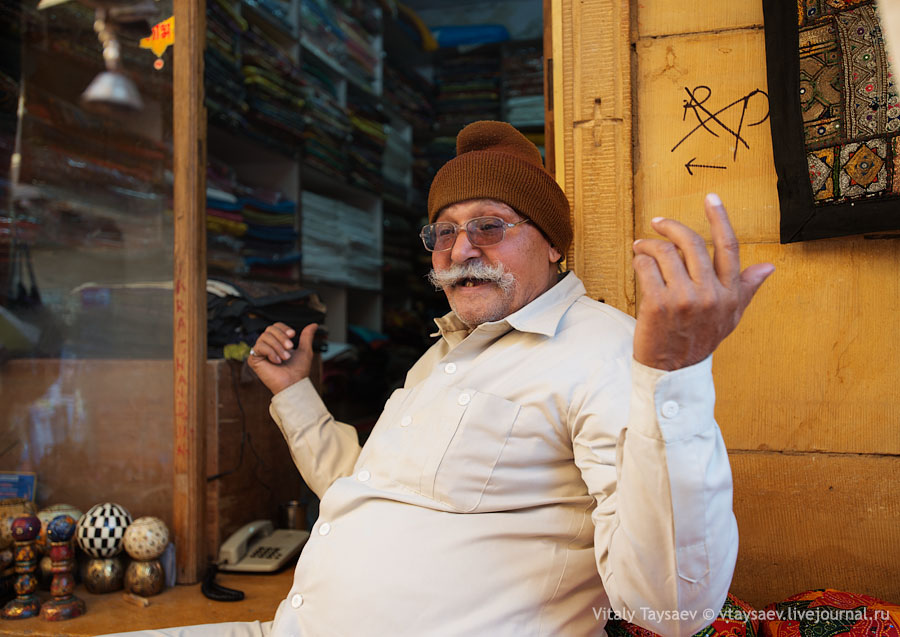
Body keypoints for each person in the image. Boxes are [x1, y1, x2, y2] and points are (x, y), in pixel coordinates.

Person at [115, 121, 773, 637]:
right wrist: (293, 389)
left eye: (490, 225)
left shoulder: (604, 349)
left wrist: (673, 374)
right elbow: (371, 485)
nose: (461, 250)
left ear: (551, 243)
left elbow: (673, 610)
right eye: (446, 231)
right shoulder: (445, 354)